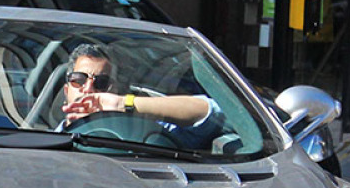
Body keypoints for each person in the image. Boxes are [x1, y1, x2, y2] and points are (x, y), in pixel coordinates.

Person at [58, 43, 225, 149]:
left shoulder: (148, 130)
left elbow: (212, 112)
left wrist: (123, 104)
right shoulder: (47, 143)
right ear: (66, 91)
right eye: (78, 80)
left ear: (115, 90)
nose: (88, 89)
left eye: (101, 82)